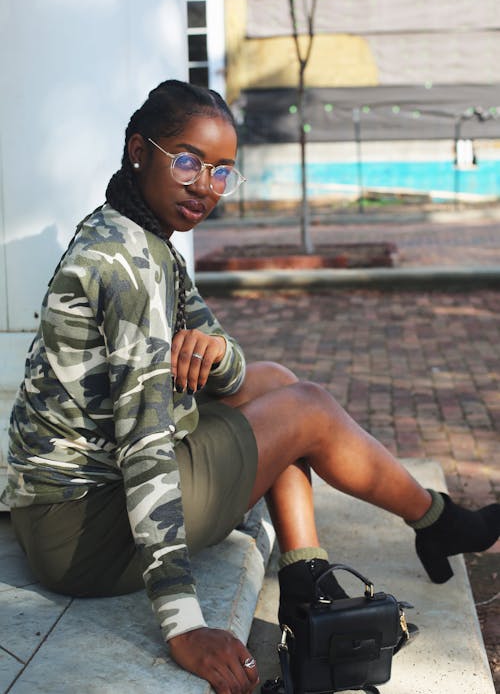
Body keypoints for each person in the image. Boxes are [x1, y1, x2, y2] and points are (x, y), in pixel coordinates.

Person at [2, 79, 499, 694]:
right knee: (307, 411)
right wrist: (184, 625)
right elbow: (145, 449)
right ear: (139, 150)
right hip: (82, 532)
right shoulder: (123, 266)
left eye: (221, 171)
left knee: (277, 383)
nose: (204, 186)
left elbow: (229, 357)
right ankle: (436, 522)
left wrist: (214, 357)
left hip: (71, 508)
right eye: (187, 160)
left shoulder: (142, 236)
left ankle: (306, 578)